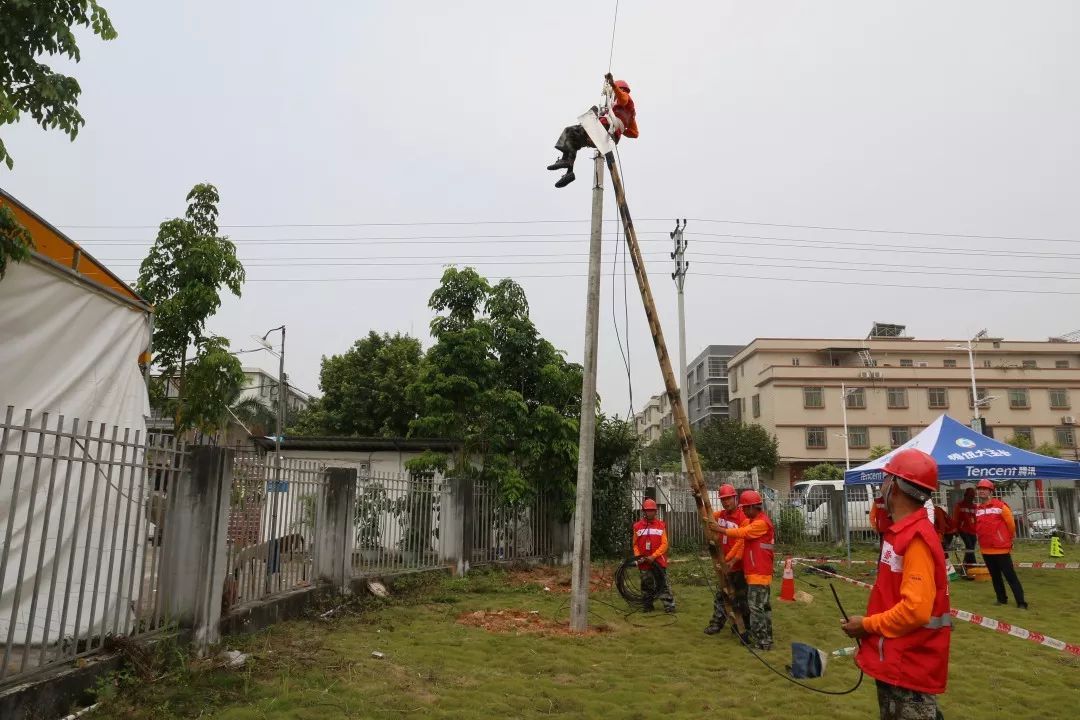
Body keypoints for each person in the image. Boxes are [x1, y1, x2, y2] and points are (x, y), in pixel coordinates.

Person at [840, 448, 952, 720]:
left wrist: (865, 625)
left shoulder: (915, 539)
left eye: (886, 479)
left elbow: (915, 611)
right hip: (896, 659)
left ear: (895, 487)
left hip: (909, 666)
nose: (882, 486)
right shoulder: (900, 533)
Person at [547, 72, 638, 188]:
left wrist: (613, 85)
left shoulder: (625, 98)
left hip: (604, 131)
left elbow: (623, 99)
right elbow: (635, 133)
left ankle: (566, 160)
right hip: (607, 137)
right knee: (573, 139)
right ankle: (569, 172)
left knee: (570, 130)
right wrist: (620, 127)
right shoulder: (630, 113)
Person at [719, 490, 774, 650]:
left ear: (751, 507)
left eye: (744, 508)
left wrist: (720, 530)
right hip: (758, 571)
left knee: (756, 609)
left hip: (759, 572)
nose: (742, 511)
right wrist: (731, 559)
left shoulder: (761, 523)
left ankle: (761, 642)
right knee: (763, 608)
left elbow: (742, 533)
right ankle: (767, 640)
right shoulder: (754, 521)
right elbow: (742, 543)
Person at [704, 483, 749, 636]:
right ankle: (717, 623)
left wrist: (728, 561)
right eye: (723, 499)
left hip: (738, 566)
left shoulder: (743, 518)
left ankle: (741, 626)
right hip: (724, 565)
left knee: (741, 598)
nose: (726, 502)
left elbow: (741, 542)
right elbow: (705, 516)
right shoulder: (721, 515)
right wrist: (698, 497)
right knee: (721, 595)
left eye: (728, 498)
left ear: (735, 498)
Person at [974, 478, 1027, 608]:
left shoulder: (1001, 506)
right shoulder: (978, 509)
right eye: (980, 489)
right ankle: (1001, 599)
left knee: (1010, 577)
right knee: (995, 577)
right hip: (986, 549)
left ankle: (1021, 602)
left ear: (990, 491)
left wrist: (1007, 540)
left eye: (985, 489)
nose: (982, 491)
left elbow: (1011, 526)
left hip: (1001, 549)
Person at [633, 498, 676, 613]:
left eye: (652, 510)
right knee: (646, 584)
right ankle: (647, 605)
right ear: (644, 511)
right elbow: (635, 545)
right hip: (644, 562)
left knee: (663, 584)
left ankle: (669, 606)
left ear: (656, 512)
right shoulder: (637, 526)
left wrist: (653, 556)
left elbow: (664, 544)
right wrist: (639, 557)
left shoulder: (661, 525)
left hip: (658, 561)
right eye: (648, 510)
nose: (650, 512)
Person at [952, 487, 978, 566]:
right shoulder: (959, 505)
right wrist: (955, 529)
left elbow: (976, 519)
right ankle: (974, 564)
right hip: (962, 529)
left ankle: (965, 564)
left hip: (972, 530)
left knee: (971, 548)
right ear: (965, 496)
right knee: (969, 546)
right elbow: (955, 518)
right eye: (970, 496)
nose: (971, 498)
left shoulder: (974, 506)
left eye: (973, 496)